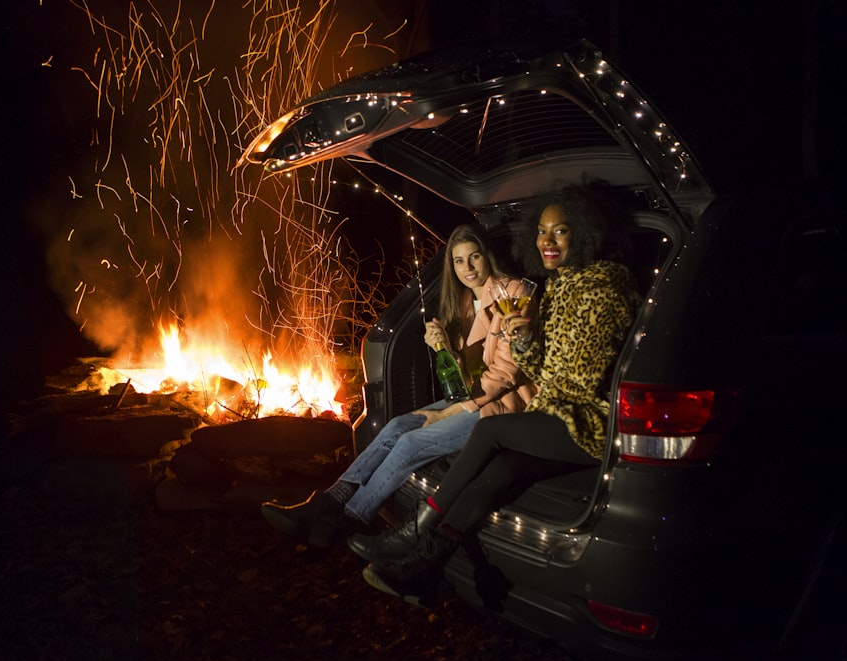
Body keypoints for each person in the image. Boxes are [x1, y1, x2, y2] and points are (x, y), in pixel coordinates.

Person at [360, 182, 642, 606]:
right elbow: (541, 368)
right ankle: (426, 566)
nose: (547, 241)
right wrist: (527, 340)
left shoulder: (604, 290)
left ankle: (416, 530)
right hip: (554, 409)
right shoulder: (560, 286)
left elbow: (577, 383)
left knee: (492, 433)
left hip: (587, 420)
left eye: (560, 231)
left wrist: (529, 350)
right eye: (542, 231)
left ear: (584, 233)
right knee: (503, 469)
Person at [260, 223, 536, 549]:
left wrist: (450, 413)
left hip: (503, 407)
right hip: (472, 397)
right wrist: (443, 349)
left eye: (474, 257)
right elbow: (464, 375)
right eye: (460, 261)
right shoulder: (463, 303)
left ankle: (348, 521)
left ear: (487, 257)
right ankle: (327, 504)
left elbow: (508, 370)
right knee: (395, 427)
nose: (469, 268)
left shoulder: (514, 292)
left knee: (409, 444)